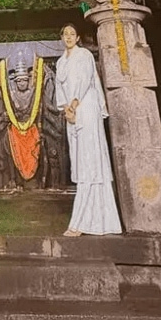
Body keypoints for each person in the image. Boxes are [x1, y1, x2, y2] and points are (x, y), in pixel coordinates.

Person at [55, 24, 122, 236]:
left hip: (86, 108)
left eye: (72, 34)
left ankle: (80, 222)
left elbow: (84, 82)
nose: (68, 37)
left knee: (90, 162)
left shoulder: (84, 56)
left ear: (78, 38)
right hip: (71, 113)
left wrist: (74, 105)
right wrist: (66, 108)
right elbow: (60, 89)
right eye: (65, 33)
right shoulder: (60, 61)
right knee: (81, 162)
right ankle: (96, 220)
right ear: (61, 37)